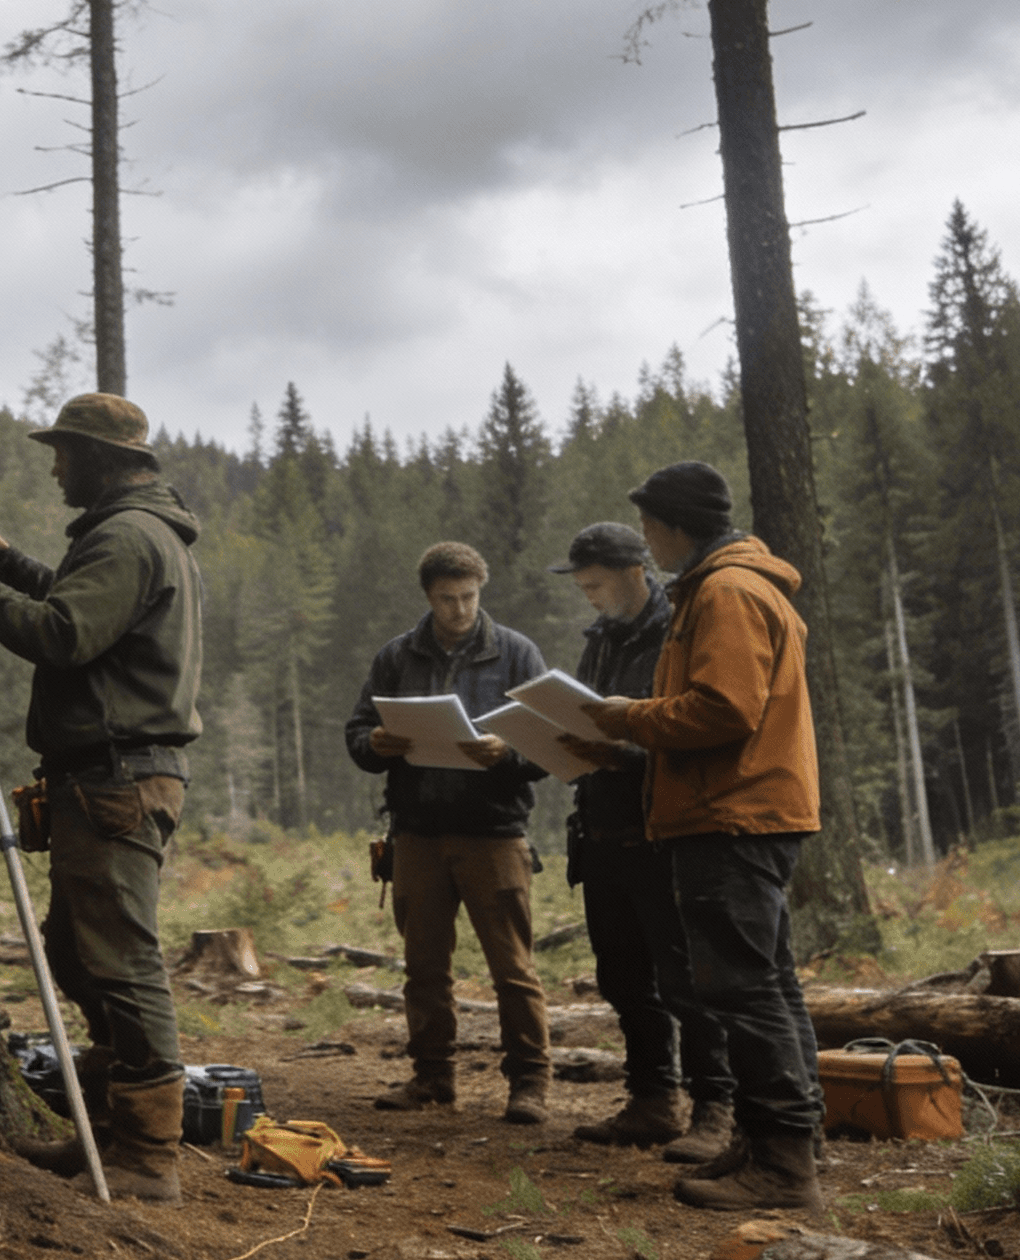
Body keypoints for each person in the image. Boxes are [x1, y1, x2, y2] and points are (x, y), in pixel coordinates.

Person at [0, 392, 204, 1204]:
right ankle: (108, 1135)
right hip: (108, 776)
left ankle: (148, 1155)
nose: (55, 469)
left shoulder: (127, 535)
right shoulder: (136, 534)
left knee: (121, 962)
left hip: (116, 778)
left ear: (100, 459)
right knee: (82, 954)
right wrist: (6, 560)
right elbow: (83, 614)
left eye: (63, 453)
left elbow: (62, 635)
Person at [584, 460, 826, 1210]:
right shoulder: (729, 587)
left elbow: (725, 709)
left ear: (673, 525)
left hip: (732, 815)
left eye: (649, 526)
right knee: (767, 983)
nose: (647, 540)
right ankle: (777, 1139)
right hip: (743, 811)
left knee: (745, 990)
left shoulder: (725, 592)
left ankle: (785, 1165)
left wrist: (629, 717)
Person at [346, 542, 554, 1124]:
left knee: (512, 969)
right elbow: (359, 731)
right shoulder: (397, 657)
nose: (460, 609)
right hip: (417, 834)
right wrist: (374, 744)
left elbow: (547, 745)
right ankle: (432, 1076)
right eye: (447, 599)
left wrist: (506, 754)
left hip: (494, 833)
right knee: (424, 968)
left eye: (468, 597)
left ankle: (530, 1083)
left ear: (481, 591)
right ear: (428, 597)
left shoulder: (517, 653)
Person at [550, 522, 734, 1162]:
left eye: (596, 585)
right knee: (623, 977)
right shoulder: (599, 639)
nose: (589, 597)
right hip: (601, 829)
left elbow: (692, 727)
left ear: (634, 572)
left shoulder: (678, 631)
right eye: (582, 588)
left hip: (661, 831)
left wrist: (625, 755)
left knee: (686, 980)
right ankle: (652, 1098)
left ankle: (716, 1106)